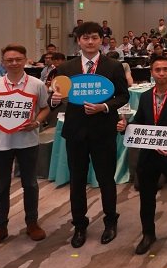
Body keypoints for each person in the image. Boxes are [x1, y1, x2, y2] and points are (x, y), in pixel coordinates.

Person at [49, 21, 129, 248]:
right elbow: (56, 98)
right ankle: (79, 225)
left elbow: (123, 96)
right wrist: (54, 100)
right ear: (78, 41)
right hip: (76, 131)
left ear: (101, 40)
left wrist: (104, 107)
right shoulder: (66, 68)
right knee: (77, 180)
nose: (90, 42)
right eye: (85, 38)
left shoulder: (113, 66)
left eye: (94, 37)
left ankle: (110, 221)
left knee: (106, 179)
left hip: (103, 131)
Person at [116, 56, 167, 255]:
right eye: (157, 70)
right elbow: (139, 122)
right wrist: (126, 127)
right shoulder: (145, 97)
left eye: (165, 69)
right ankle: (148, 234)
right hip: (149, 155)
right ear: (151, 72)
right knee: (146, 196)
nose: (161, 73)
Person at [0, 44, 50, 251]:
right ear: (3, 62)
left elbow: (45, 108)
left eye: (18, 59)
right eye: (9, 60)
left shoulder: (36, 84)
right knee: (1, 187)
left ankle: (32, 223)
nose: (14, 63)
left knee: (30, 185)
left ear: (25, 60)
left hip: (28, 142)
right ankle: (0, 228)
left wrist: (36, 122)